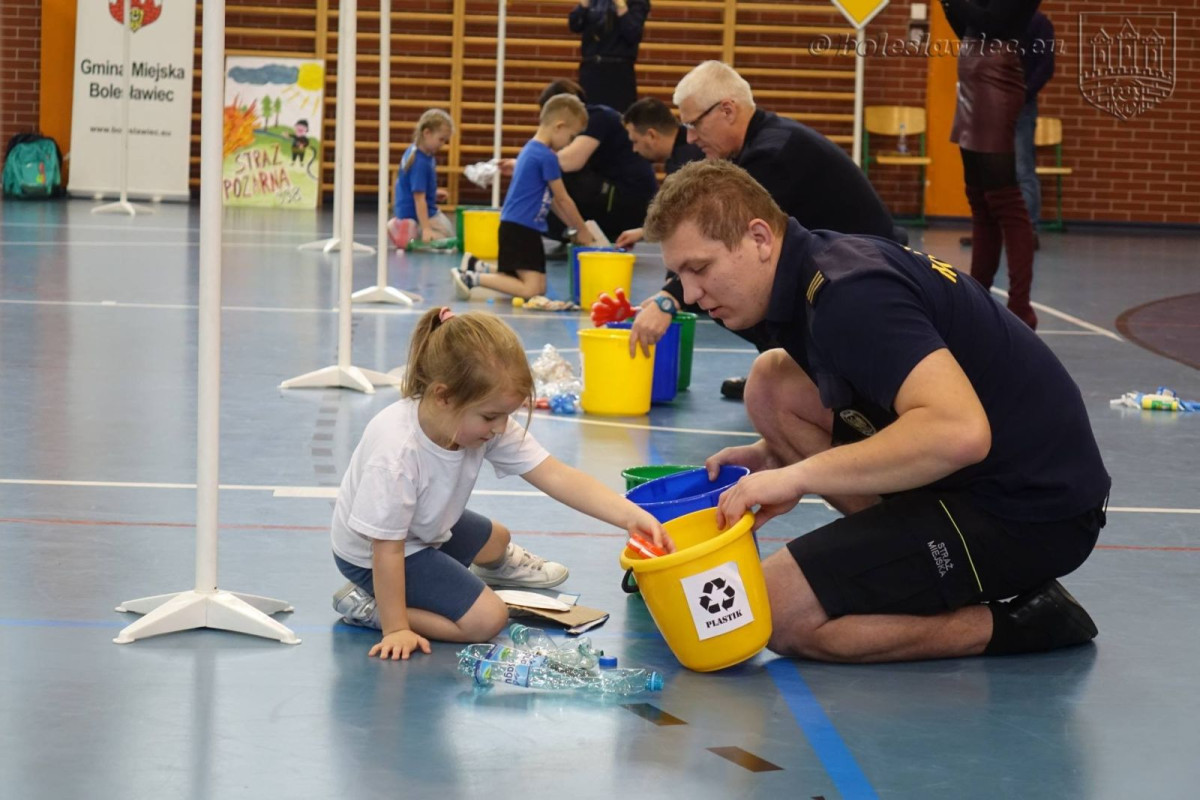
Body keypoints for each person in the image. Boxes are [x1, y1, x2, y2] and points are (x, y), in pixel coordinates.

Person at [643, 159, 1110, 663]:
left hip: (1030, 511)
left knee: (773, 613)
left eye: (700, 268)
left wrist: (798, 476)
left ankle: (1019, 622)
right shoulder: (808, 273)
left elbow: (958, 432)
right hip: (985, 476)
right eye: (678, 275)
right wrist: (772, 455)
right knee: (771, 386)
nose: (689, 294)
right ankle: (899, 551)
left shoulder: (850, 295)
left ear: (759, 238)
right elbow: (868, 391)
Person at [331, 307, 668, 660]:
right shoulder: (396, 453)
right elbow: (386, 549)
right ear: (443, 396)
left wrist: (631, 517)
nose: (500, 428)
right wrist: (396, 627)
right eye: (492, 417)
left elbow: (557, 475)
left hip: (423, 526)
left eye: (506, 415)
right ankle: (369, 607)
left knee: (498, 540)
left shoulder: (475, 419)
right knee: (487, 619)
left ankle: (428, 584)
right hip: (373, 554)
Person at [628, 61, 900, 400]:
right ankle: (785, 370)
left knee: (734, 283)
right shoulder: (764, 142)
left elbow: (725, 242)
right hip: (846, 268)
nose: (691, 137)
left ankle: (798, 377)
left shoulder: (772, 155)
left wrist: (669, 299)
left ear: (727, 110)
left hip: (870, 283)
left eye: (694, 124)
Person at [943, 0, 1041, 329]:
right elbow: (966, 28)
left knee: (1005, 200)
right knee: (980, 199)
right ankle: (978, 294)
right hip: (972, 76)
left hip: (996, 80)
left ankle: (1020, 306)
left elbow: (990, 22)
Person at [453, 94, 596, 302]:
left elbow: (553, 201)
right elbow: (563, 198)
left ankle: (479, 266)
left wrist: (572, 226)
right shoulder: (546, 157)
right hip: (520, 228)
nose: (568, 144)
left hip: (520, 227)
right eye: (571, 137)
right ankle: (471, 278)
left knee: (539, 287)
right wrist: (582, 229)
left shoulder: (531, 149)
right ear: (559, 127)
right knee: (532, 290)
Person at [537, 79, 659, 243]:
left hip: (631, 202)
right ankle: (574, 231)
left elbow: (571, 161)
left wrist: (528, 163)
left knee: (555, 175)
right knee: (550, 172)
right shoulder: (595, 118)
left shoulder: (598, 117)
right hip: (619, 196)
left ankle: (579, 232)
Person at [613, 97, 704, 249]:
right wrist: (643, 232)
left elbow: (687, 216)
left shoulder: (686, 161)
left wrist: (645, 232)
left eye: (635, 141)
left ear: (651, 135)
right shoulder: (682, 151)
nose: (634, 149)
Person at [567, 0, 650, 115]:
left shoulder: (636, 2)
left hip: (619, 71)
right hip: (591, 68)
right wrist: (583, 5)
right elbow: (574, 25)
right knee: (589, 117)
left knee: (620, 117)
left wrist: (621, 6)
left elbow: (633, 33)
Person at [388, 109, 455, 250]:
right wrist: (426, 228)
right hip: (417, 213)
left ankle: (405, 227)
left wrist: (433, 193)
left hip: (407, 210)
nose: (443, 144)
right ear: (427, 133)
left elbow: (411, 186)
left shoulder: (414, 151)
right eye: (441, 139)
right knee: (448, 238)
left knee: (447, 229)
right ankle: (414, 234)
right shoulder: (420, 162)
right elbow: (419, 199)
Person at [1016, 11, 1055, 240]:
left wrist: (1024, 93)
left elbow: (1046, 66)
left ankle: (1027, 228)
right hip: (993, 103)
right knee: (991, 170)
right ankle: (994, 230)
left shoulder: (1039, 23)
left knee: (1023, 168)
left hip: (1022, 103)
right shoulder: (996, 18)